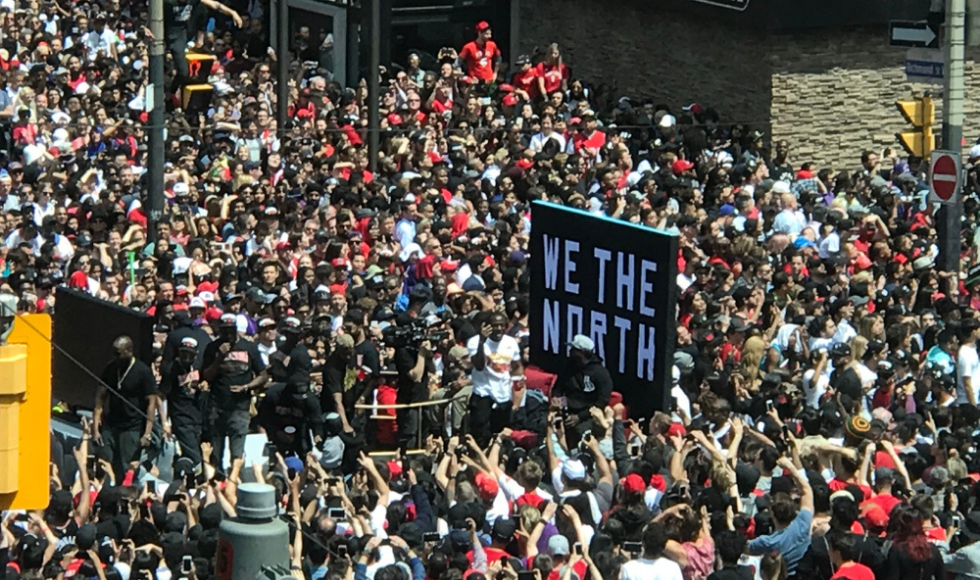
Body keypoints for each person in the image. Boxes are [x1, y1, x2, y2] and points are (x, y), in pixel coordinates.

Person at [201, 313, 268, 466]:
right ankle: (217, 481)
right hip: (217, 406)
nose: (228, 334)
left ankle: (235, 479)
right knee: (216, 451)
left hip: (240, 406)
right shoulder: (212, 348)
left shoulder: (249, 347)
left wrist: (246, 386)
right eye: (224, 330)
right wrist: (219, 357)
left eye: (231, 330)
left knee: (237, 451)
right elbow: (206, 376)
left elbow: (263, 375)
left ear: (236, 329)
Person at [93, 335, 160, 477]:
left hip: (132, 427)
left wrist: (147, 433)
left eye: (118, 353)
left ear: (129, 351)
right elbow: (100, 398)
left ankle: (123, 495)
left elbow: (151, 403)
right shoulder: (111, 368)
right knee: (103, 460)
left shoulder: (143, 371)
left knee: (125, 467)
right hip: (111, 424)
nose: (114, 357)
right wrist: (95, 427)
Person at [467, 311, 522, 447]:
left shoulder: (511, 343)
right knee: (481, 436)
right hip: (483, 394)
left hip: (503, 395)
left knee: (501, 435)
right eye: (495, 325)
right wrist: (481, 340)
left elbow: (516, 368)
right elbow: (479, 366)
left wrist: (517, 396)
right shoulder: (475, 341)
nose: (498, 329)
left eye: (501, 325)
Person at [159, 336, 207, 468]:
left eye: (190, 354)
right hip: (181, 418)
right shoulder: (171, 369)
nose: (186, 357)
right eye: (184, 353)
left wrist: (204, 384)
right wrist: (165, 422)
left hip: (198, 417)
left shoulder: (198, 366)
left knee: (202, 453)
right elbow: (161, 395)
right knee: (194, 457)